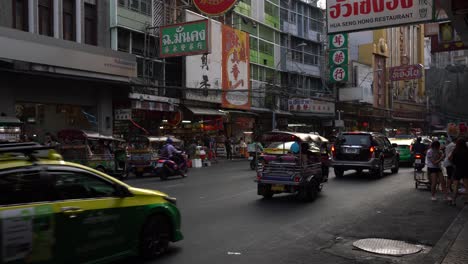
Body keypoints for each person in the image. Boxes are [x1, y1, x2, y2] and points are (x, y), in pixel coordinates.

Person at [449, 138, 468, 205]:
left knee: (456, 186)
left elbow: (449, 158)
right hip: (466, 169)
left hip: (457, 169)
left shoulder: (455, 151)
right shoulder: (467, 151)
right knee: (466, 186)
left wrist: (453, 164)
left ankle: (454, 201)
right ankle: (466, 199)